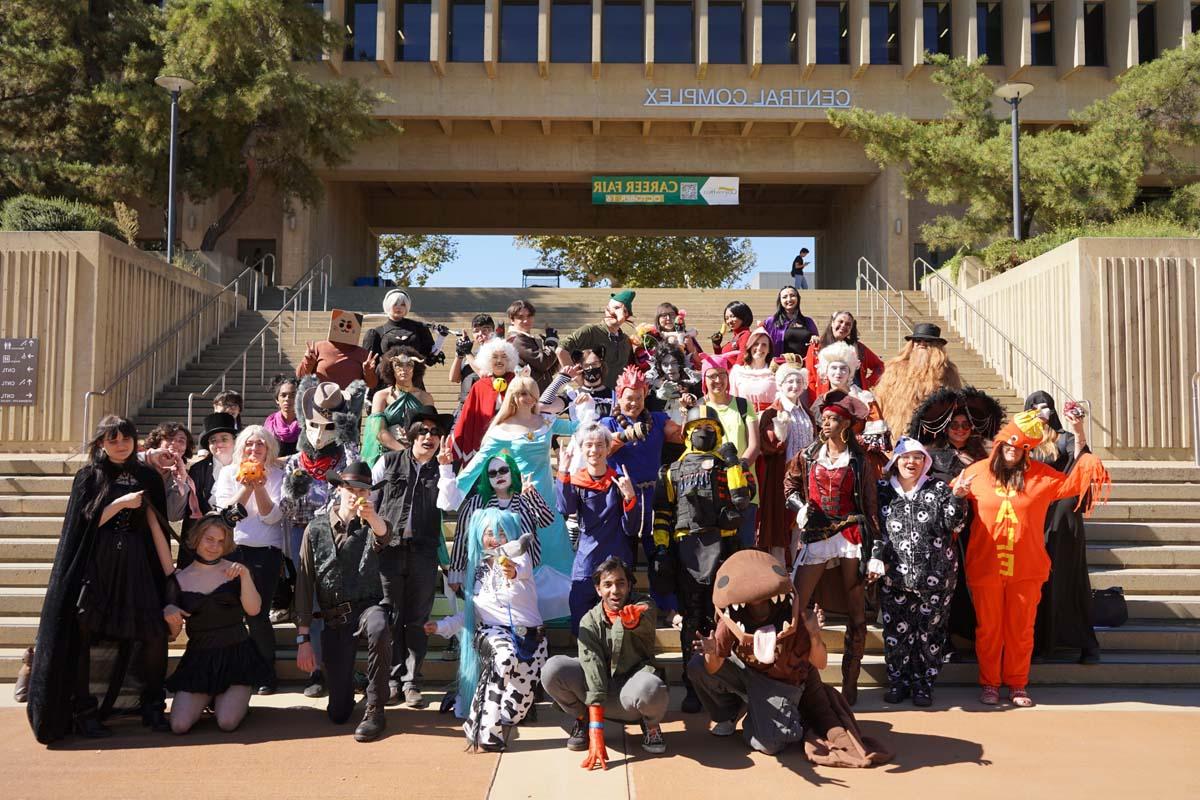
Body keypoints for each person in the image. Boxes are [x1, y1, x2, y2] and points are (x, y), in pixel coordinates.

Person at [27, 415, 175, 743]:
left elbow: (156, 527)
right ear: (100, 444)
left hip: (137, 564)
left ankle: (152, 705)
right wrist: (120, 503)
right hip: (97, 566)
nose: (120, 445)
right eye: (112, 439)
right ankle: (84, 711)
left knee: (153, 634)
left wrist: (170, 576)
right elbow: (82, 528)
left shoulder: (148, 477)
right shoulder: (88, 478)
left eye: (125, 439)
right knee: (83, 636)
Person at [960, 408, 1109, 707]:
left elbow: (1075, 479)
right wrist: (955, 495)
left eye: (1021, 447)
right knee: (989, 629)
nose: (1014, 451)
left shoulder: (1040, 476)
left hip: (1027, 568)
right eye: (1009, 445)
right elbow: (948, 505)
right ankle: (990, 683)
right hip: (984, 566)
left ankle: (1017, 684)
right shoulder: (975, 472)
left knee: (1021, 629)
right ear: (1000, 445)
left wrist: (1078, 432)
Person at [689, 550, 891, 766]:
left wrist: (814, 635)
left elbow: (820, 663)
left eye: (764, 600)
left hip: (783, 682)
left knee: (770, 745)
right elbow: (713, 668)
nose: (759, 605)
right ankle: (729, 713)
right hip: (747, 671)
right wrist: (711, 652)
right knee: (697, 665)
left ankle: (759, 716)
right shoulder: (732, 617)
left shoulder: (794, 614)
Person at [456, 375, 587, 621]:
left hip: (547, 498)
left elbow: (577, 429)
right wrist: (453, 487)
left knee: (555, 548)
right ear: (512, 397)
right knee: (524, 553)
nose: (525, 398)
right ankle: (524, 613)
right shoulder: (501, 430)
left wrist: (582, 406)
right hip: (519, 501)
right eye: (519, 393)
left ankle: (562, 613)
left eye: (529, 393)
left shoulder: (546, 421)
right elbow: (480, 463)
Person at [783, 393, 881, 705]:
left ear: (847, 425)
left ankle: (850, 682)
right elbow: (790, 487)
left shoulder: (859, 461)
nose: (826, 423)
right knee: (797, 605)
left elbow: (870, 507)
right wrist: (799, 507)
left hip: (850, 533)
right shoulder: (807, 455)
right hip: (816, 532)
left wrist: (876, 551)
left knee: (856, 610)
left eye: (834, 419)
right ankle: (794, 673)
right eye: (824, 418)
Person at [651, 406, 751, 714]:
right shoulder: (670, 471)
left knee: (726, 617)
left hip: (724, 549)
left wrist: (733, 463)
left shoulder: (728, 466)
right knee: (691, 619)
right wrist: (662, 549)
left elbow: (742, 498)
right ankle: (693, 683)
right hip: (686, 551)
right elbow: (664, 514)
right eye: (697, 426)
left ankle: (727, 680)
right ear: (686, 434)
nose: (703, 431)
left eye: (710, 426)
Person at [427, 507, 546, 752]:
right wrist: (441, 626)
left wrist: (510, 570)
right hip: (495, 633)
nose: (495, 537)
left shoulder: (520, 558)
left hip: (532, 639)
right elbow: (470, 613)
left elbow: (518, 568)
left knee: (514, 713)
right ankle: (483, 729)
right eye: (489, 532)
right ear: (480, 536)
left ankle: (488, 713)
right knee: (503, 658)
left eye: (502, 532)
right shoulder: (478, 572)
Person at [867, 437, 971, 706]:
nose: (911, 462)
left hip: (936, 578)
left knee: (930, 635)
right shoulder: (881, 491)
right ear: (895, 461)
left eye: (917, 457)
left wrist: (958, 498)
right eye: (905, 457)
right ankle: (898, 682)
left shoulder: (938, 489)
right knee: (896, 635)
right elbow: (873, 529)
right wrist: (876, 559)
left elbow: (955, 525)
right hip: (895, 577)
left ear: (925, 462)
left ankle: (923, 685)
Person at [294, 462, 394, 742]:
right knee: (338, 714)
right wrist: (303, 639)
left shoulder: (372, 523)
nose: (355, 494)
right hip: (334, 618)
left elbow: (385, 536)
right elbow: (304, 584)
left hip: (367, 608)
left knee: (379, 625)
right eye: (349, 487)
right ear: (338, 488)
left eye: (362, 489)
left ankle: (376, 708)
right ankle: (353, 683)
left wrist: (372, 517)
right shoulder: (314, 529)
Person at [281, 378, 367, 697]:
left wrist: (347, 432)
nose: (319, 433)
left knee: (339, 605)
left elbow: (358, 475)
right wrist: (295, 490)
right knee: (311, 605)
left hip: (338, 538)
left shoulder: (345, 457)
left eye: (328, 425)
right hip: (303, 536)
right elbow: (286, 508)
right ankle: (315, 670)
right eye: (314, 424)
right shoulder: (295, 462)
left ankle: (342, 667)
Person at [541, 557, 668, 768]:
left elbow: (646, 617)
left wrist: (633, 623)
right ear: (598, 590)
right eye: (607, 584)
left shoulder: (644, 606)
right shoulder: (588, 621)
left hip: (629, 694)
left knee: (652, 687)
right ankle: (583, 719)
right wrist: (596, 730)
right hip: (595, 692)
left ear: (629, 585)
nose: (615, 590)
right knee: (553, 669)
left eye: (620, 583)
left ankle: (651, 726)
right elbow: (592, 668)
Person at [906, 386, 1005, 654]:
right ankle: (943, 638)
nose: (960, 429)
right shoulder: (930, 456)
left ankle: (975, 636)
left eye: (965, 425)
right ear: (945, 428)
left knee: (972, 583)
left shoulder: (986, 456)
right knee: (944, 584)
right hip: (941, 533)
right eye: (954, 425)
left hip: (978, 529)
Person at [371, 405, 454, 708]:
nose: (429, 437)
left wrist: (446, 470)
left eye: (435, 432)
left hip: (423, 552)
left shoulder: (443, 470)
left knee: (417, 620)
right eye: (423, 431)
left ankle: (411, 682)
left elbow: (449, 503)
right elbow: (370, 501)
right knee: (392, 617)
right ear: (410, 435)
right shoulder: (387, 461)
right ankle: (392, 681)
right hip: (389, 551)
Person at [163, 507, 272, 734]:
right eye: (209, 539)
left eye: (220, 542)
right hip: (199, 659)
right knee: (179, 725)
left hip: (237, 656)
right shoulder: (179, 579)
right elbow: (173, 636)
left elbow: (254, 610)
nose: (214, 546)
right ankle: (210, 697)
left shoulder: (234, 571)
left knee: (227, 722)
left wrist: (244, 575)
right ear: (197, 538)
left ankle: (231, 698)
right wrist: (170, 612)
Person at [1025, 392, 1102, 665]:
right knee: (1036, 580)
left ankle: (1083, 642)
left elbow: (1081, 460)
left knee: (1068, 574)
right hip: (1032, 513)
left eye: (1045, 407)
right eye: (1034, 407)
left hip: (1061, 512)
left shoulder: (1064, 438)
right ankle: (1037, 642)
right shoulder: (1024, 440)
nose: (1041, 411)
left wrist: (1078, 428)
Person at [212, 425, 285, 695]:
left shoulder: (277, 475)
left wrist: (261, 487)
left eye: (260, 445)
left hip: (265, 552)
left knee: (258, 614)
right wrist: (245, 487)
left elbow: (272, 516)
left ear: (269, 450)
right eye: (249, 444)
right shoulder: (228, 473)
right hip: (234, 550)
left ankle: (266, 672)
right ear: (241, 448)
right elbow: (227, 517)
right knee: (231, 613)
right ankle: (235, 670)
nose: (254, 450)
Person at [557, 423, 642, 632]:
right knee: (580, 610)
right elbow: (566, 508)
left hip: (616, 555)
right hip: (588, 558)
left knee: (620, 619)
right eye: (588, 445)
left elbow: (631, 528)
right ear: (582, 449)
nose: (594, 450)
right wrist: (562, 471)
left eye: (599, 445)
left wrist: (631, 498)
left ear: (608, 447)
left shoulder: (620, 482)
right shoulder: (576, 481)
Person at [756, 360, 816, 565]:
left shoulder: (806, 413)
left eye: (798, 381)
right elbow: (768, 446)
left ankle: (799, 569)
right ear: (780, 384)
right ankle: (779, 571)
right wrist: (779, 432)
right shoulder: (772, 412)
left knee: (800, 524)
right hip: (781, 476)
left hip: (806, 477)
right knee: (779, 524)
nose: (794, 385)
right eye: (789, 381)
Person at [701, 359, 760, 549]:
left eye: (722, 375)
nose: (718, 380)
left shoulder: (743, 405)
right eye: (712, 376)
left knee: (744, 550)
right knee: (715, 553)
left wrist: (737, 468)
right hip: (712, 490)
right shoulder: (700, 408)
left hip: (743, 487)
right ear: (704, 380)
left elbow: (754, 445)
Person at [874, 323, 964, 439]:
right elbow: (880, 400)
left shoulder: (947, 372)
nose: (922, 344)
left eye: (928, 341)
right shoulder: (894, 368)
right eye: (918, 340)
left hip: (932, 434)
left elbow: (955, 404)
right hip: (897, 431)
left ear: (937, 346)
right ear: (912, 345)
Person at [178, 412, 240, 567]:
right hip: (205, 541)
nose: (218, 444)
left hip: (238, 541)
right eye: (213, 440)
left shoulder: (244, 466)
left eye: (224, 439)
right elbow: (191, 514)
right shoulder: (198, 470)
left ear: (234, 441)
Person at [361, 346, 435, 467]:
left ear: (415, 368)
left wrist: (416, 452)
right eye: (398, 365)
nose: (404, 369)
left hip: (418, 454)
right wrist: (405, 452)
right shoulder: (381, 396)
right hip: (388, 456)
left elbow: (431, 430)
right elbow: (378, 431)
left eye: (409, 365)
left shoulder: (425, 397)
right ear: (391, 369)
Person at [814, 341, 890, 456]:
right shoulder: (820, 401)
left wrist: (853, 442)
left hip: (859, 458)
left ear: (850, 372)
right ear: (826, 372)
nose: (838, 372)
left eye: (843, 368)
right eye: (833, 368)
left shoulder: (865, 398)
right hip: (826, 458)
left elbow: (877, 439)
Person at [450, 337, 519, 464]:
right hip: (485, 443)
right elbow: (467, 417)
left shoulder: (518, 383)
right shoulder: (480, 386)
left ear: (510, 359)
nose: (499, 360)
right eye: (494, 357)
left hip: (512, 442)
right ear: (487, 360)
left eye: (504, 356)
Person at [556, 290, 635, 389]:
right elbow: (561, 350)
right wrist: (581, 381)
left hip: (616, 398)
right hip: (593, 396)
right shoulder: (590, 331)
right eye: (615, 308)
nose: (617, 312)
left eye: (624, 310)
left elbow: (630, 369)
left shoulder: (626, 340)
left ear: (627, 316)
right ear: (606, 309)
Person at [298, 310, 380, 391]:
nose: (345, 328)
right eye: (341, 324)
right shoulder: (318, 347)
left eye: (349, 326)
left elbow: (372, 384)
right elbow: (300, 376)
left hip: (351, 402)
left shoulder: (362, 353)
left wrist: (368, 373)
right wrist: (308, 362)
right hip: (322, 401)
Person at [806, 311, 885, 393]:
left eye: (848, 324)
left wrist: (868, 382)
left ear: (851, 329)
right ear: (832, 323)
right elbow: (810, 377)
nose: (843, 326)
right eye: (840, 321)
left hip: (854, 398)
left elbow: (880, 366)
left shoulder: (859, 348)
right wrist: (814, 403)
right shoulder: (816, 347)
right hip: (825, 398)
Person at [143, 421, 199, 524]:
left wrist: (180, 483)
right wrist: (148, 456)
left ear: (185, 449)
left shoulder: (181, 476)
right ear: (158, 442)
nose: (174, 444)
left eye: (181, 441)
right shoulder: (141, 464)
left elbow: (173, 516)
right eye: (169, 439)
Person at [363, 288, 436, 365]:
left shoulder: (419, 328)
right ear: (388, 305)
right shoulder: (377, 332)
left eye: (403, 304)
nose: (399, 307)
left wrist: (439, 342)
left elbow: (430, 360)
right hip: (386, 375)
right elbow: (371, 366)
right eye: (395, 304)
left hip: (414, 375)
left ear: (407, 306)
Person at [505, 299, 560, 392]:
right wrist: (551, 342)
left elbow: (547, 370)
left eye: (529, 316)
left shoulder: (526, 338)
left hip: (538, 393)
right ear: (512, 319)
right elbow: (543, 363)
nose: (526, 320)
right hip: (528, 396)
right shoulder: (516, 339)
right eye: (520, 317)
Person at [449, 313, 497, 415]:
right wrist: (459, 354)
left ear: (493, 331)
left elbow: (483, 374)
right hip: (464, 406)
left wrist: (467, 352)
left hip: (486, 406)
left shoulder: (498, 353)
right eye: (476, 331)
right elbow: (454, 378)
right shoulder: (471, 354)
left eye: (485, 330)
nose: (480, 334)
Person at [729, 326, 778, 412]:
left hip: (769, 420)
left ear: (769, 349)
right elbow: (732, 401)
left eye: (764, 345)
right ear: (750, 346)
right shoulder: (737, 372)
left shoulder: (776, 373)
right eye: (756, 344)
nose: (759, 348)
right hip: (745, 419)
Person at [763, 286, 820, 357]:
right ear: (780, 301)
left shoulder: (808, 321)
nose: (789, 299)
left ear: (798, 299)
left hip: (804, 366)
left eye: (792, 296)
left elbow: (817, 344)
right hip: (780, 365)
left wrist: (815, 338)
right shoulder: (771, 322)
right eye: (784, 297)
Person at [263, 375, 300, 458]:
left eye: (292, 395)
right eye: (283, 395)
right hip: (274, 468)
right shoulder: (270, 423)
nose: (287, 399)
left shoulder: (307, 423)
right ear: (277, 400)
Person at [709, 300, 753, 367]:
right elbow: (721, 359)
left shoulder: (745, 335)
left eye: (732, 316)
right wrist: (716, 345)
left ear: (742, 315)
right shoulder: (735, 338)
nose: (729, 321)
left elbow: (742, 359)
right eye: (726, 318)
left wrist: (734, 374)